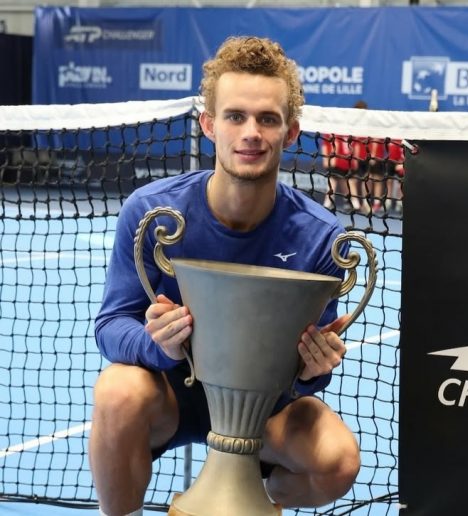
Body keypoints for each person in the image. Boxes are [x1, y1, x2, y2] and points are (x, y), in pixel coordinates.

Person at [89, 36, 360, 516]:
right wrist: (160, 345)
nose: (250, 132)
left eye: (267, 119)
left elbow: (309, 366)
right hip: (172, 396)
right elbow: (111, 326)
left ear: (291, 133)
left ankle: (253, 503)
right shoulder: (150, 212)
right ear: (210, 125)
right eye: (235, 116)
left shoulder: (322, 239)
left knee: (337, 461)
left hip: (267, 410)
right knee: (116, 392)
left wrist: (312, 371)